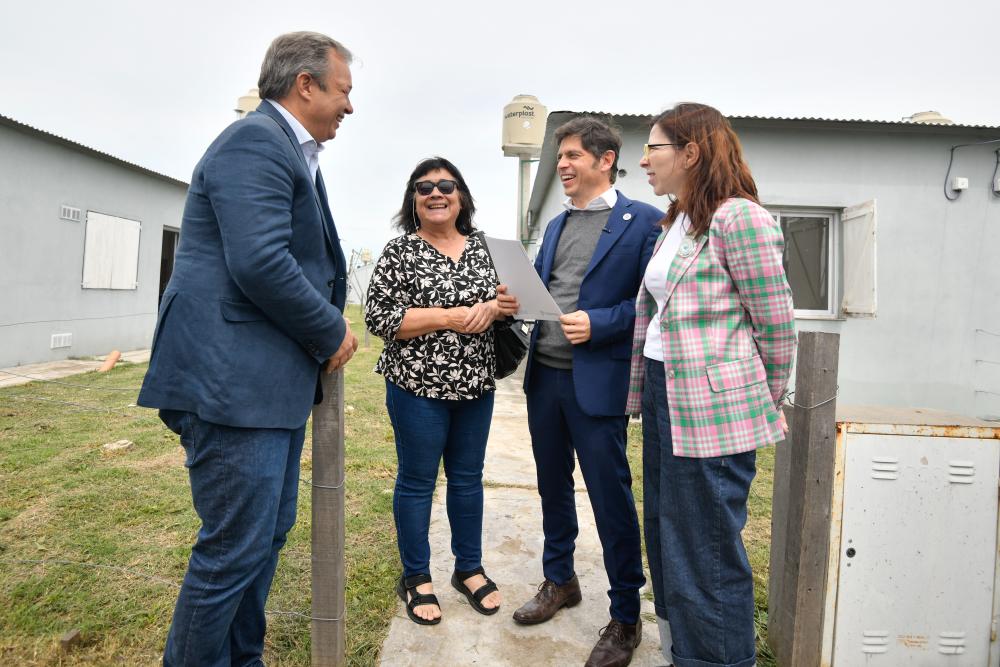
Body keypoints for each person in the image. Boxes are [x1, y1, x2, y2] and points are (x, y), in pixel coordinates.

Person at [136, 31, 359, 666]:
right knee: (234, 547)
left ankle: (242, 657)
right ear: (306, 84)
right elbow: (260, 262)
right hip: (231, 385)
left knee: (264, 539)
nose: (350, 106)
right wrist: (330, 330)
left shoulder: (288, 151)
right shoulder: (257, 142)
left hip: (264, 389)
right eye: (344, 91)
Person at [628, 102, 796, 667]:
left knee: (706, 552)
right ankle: (684, 654)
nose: (643, 158)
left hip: (712, 408)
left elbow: (775, 324)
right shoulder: (677, 220)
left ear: (690, 152)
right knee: (668, 537)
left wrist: (752, 404)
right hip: (665, 392)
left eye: (654, 147)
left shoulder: (737, 218)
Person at [512, 116, 662, 667]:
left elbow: (649, 304)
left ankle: (625, 616)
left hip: (596, 384)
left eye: (573, 155)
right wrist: (517, 296)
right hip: (545, 377)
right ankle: (560, 581)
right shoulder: (555, 225)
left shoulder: (645, 221)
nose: (564, 165)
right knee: (552, 487)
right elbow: (546, 285)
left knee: (609, 498)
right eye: (559, 158)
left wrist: (600, 323)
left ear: (605, 160)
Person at [364, 157, 518, 626]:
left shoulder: (488, 249)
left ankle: (468, 569)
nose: (436, 193)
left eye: (446, 185)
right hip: (416, 387)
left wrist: (496, 307)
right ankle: (417, 577)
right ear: (413, 200)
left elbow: (514, 303)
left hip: (475, 384)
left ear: (462, 197)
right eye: (424, 187)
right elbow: (381, 319)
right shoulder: (400, 252)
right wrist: (450, 315)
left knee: (468, 479)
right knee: (417, 481)